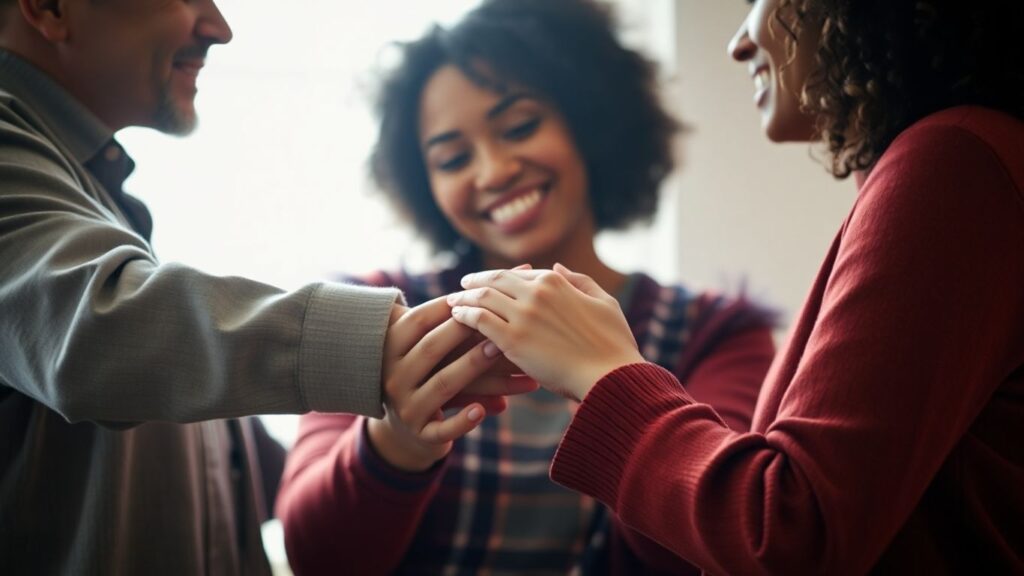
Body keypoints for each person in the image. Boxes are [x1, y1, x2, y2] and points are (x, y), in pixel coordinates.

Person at [447, 0, 1024, 572]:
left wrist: (605, 373)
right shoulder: (956, 162)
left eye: (757, 2)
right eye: (449, 156)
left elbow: (789, 533)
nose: (740, 41)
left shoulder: (953, 163)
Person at [0, 0, 522, 573]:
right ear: (49, 8)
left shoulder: (87, 194)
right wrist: (381, 351)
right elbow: (96, 329)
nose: (220, 29)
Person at [275, 1, 776, 574]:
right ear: (424, 182)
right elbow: (316, 557)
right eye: (453, 158)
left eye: (520, 127)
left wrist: (611, 382)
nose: (492, 172)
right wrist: (396, 445)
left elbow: (713, 543)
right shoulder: (377, 317)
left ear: (590, 120)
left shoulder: (717, 334)